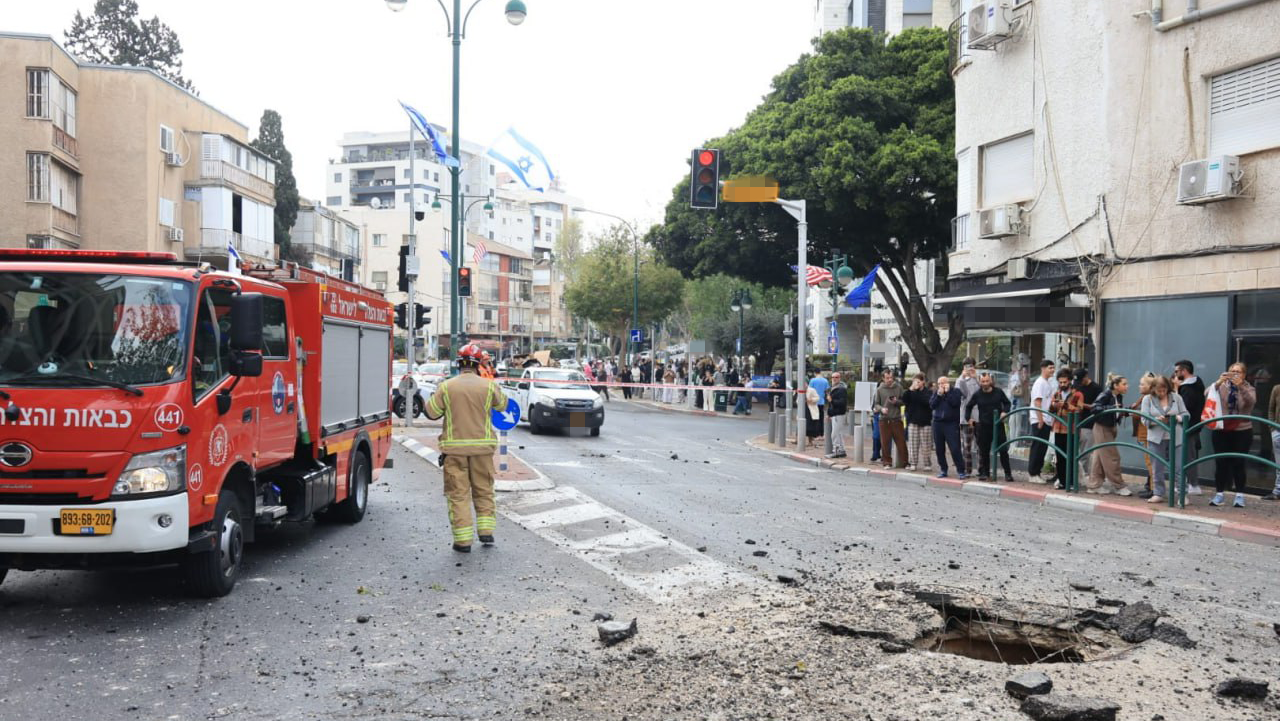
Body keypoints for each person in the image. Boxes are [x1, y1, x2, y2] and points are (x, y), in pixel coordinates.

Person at [423, 343, 509, 553]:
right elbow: (503, 406)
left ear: (458, 364)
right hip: (482, 450)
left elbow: (432, 413)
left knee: (458, 495)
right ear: (478, 364)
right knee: (484, 490)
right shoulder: (488, 386)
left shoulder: (447, 386)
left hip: (455, 452)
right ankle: (486, 531)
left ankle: (463, 542)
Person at [1210, 361, 1256, 508]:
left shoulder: (1248, 388)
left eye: (1238, 372)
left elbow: (1251, 401)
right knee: (1220, 462)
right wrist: (1218, 382)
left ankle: (1239, 495)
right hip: (1222, 429)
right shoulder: (1222, 386)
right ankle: (1219, 494)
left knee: (1239, 463)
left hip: (1242, 430)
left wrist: (1240, 386)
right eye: (1232, 371)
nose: (1235, 374)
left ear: (1244, 375)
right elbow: (1207, 394)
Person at [1141, 375, 1190, 504]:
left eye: (1164, 390)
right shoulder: (1147, 399)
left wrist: (1177, 418)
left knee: (1179, 467)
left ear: (1168, 388)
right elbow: (1144, 419)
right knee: (1157, 467)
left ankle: (1182, 495)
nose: (1162, 393)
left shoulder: (1176, 397)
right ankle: (1158, 493)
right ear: (1153, 389)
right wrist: (1156, 420)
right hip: (1156, 438)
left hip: (1176, 437)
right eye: (1159, 391)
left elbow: (1186, 414)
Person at [1086, 374, 1131, 495]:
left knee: (1099, 457)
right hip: (1102, 427)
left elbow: (1116, 410)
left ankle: (1094, 485)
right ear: (1115, 385)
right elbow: (1094, 408)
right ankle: (1119, 486)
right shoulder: (1106, 394)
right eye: (1124, 384)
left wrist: (1124, 411)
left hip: (1110, 427)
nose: (1127, 386)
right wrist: (1111, 407)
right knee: (1113, 457)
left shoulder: (1118, 396)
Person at [966, 372, 1013, 481]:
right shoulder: (977, 394)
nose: (985, 383)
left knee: (1003, 450)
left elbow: (1007, 403)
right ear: (980, 382)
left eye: (987, 381)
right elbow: (968, 407)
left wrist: (1004, 412)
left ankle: (1008, 473)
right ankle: (985, 473)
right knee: (984, 451)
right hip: (984, 426)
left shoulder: (998, 392)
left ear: (991, 381)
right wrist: (969, 418)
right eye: (983, 381)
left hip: (998, 425)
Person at [1048, 368, 1086, 490]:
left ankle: (1072, 481)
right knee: (1059, 456)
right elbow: (1050, 409)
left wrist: (1066, 405)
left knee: (1071, 456)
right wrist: (1054, 405)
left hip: (1072, 429)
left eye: (1064, 382)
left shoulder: (1078, 394)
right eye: (1060, 382)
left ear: (1070, 381)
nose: (1062, 384)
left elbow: (1079, 410)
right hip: (1058, 428)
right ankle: (1062, 481)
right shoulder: (1057, 393)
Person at [1173, 360, 1206, 495]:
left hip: (1187, 426)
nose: (1175, 374)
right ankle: (1187, 483)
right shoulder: (1197, 382)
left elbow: (1182, 407)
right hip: (1194, 425)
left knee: (1187, 456)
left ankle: (1193, 485)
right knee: (1187, 455)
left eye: (1176, 371)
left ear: (1184, 371)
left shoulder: (1187, 388)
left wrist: (1176, 389)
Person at [930, 375, 966, 479]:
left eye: (943, 383)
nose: (941, 385)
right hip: (938, 423)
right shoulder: (936, 393)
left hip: (951, 423)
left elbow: (955, 403)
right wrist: (939, 395)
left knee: (955, 448)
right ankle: (943, 469)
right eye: (939, 384)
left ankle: (961, 470)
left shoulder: (956, 391)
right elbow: (932, 405)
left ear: (948, 383)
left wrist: (948, 392)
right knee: (939, 448)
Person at [1027, 360, 1057, 483]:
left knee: (1042, 447)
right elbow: (1037, 402)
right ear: (1043, 368)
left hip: (1046, 419)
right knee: (1038, 446)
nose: (1052, 370)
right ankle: (1033, 473)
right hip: (1040, 419)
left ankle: (1037, 472)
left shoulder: (1047, 383)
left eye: (1053, 368)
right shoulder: (1040, 383)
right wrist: (1040, 420)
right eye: (1050, 368)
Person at [1073, 368, 1103, 488]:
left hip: (1088, 423)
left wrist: (1082, 405)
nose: (1079, 383)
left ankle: (1083, 476)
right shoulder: (1077, 386)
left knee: (1085, 451)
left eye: (1081, 380)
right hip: (1076, 422)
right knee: (1075, 450)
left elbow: (1098, 406)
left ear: (1086, 377)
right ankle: (1076, 475)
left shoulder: (1096, 388)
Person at [873, 368, 908, 468]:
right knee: (885, 443)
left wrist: (896, 402)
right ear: (883, 378)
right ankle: (887, 462)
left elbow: (904, 401)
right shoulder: (879, 389)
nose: (890, 380)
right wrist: (881, 409)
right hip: (884, 420)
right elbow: (876, 404)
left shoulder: (899, 387)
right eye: (887, 378)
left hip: (896, 419)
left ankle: (905, 463)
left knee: (901, 442)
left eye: (891, 377)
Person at [1130, 373, 1156, 497]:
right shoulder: (1145, 397)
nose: (1139, 386)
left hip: (1148, 434)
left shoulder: (1149, 398)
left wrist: (1133, 413)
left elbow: (1147, 415)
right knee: (1150, 461)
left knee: (1150, 461)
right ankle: (1151, 487)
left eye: (1142, 384)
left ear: (1150, 386)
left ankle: (1154, 490)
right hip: (1145, 433)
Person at [902, 373, 934, 472]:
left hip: (925, 422)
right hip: (912, 421)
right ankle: (913, 463)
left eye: (918, 382)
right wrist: (910, 389)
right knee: (913, 445)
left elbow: (926, 402)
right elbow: (904, 400)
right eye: (915, 381)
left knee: (926, 445)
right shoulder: (910, 392)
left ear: (923, 382)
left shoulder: (928, 392)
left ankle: (927, 464)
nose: (916, 383)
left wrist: (916, 392)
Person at [956, 359, 981, 475]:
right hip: (965, 417)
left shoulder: (979, 378)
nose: (969, 368)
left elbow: (984, 391)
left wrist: (976, 378)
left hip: (978, 416)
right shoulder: (960, 380)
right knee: (966, 446)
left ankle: (981, 470)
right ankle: (967, 469)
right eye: (966, 366)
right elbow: (959, 393)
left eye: (971, 366)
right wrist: (962, 377)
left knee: (980, 445)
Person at [826, 372, 848, 458]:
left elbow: (842, 403)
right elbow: (830, 404)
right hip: (835, 413)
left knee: (835, 434)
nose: (834, 379)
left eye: (836, 377)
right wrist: (829, 414)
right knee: (838, 433)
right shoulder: (833, 388)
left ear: (839, 378)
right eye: (833, 377)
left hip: (839, 413)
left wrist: (831, 400)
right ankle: (841, 450)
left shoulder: (841, 389)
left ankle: (836, 451)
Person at [1267, 381, 1280, 501]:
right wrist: (1273, 428)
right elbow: (1271, 409)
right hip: (1278, 431)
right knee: (1278, 464)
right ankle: (1277, 491)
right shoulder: (1277, 389)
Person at [804, 383, 822, 448]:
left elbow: (817, 398)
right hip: (803, 408)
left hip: (810, 408)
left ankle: (810, 441)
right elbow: (797, 400)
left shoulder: (812, 390)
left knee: (810, 426)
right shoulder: (800, 390)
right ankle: (797, 440)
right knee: (801, 425)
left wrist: (811, 400)